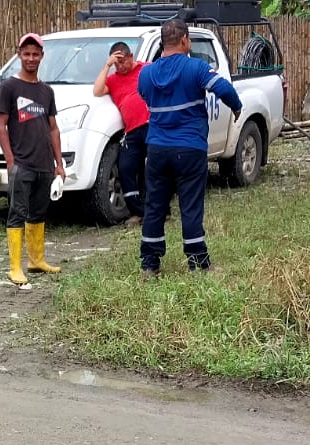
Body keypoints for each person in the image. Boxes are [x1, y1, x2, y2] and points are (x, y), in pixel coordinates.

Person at [136, 19, 241, 277]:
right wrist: (237, 108)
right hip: (190, 148)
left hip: (157, 148)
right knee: (190, 206)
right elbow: (224, 88)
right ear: (184, 40)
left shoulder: (146, 73)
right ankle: (198, 263)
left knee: (155, 205)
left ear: (163, 42)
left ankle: (150, 264)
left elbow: (143, 95)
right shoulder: (196, 67)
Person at [0, 33, 66, 286]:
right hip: (21, 164)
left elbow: (53, 129)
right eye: (26, 54)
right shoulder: (9, 87)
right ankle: (15, 267)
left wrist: (59, 164)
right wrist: (10, 160)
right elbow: (0, 126)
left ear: (42, 56)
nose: (31, 58)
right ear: (19, 55)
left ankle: (36, 260)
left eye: (35, 54)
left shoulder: (46, 91)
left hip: (44, 165)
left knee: (38, 212)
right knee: (17, 212)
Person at [94, 41, 150, 226]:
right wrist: (107, 65)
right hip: (132, 131)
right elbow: (97, 91)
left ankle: (159, 210)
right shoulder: (113, 79)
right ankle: (138, 211)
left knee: (152, 169)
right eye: (116, 64)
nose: (120, 67)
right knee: (126, 167)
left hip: (152, 126)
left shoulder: (145, 69)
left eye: (123, 61)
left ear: (131, 56)